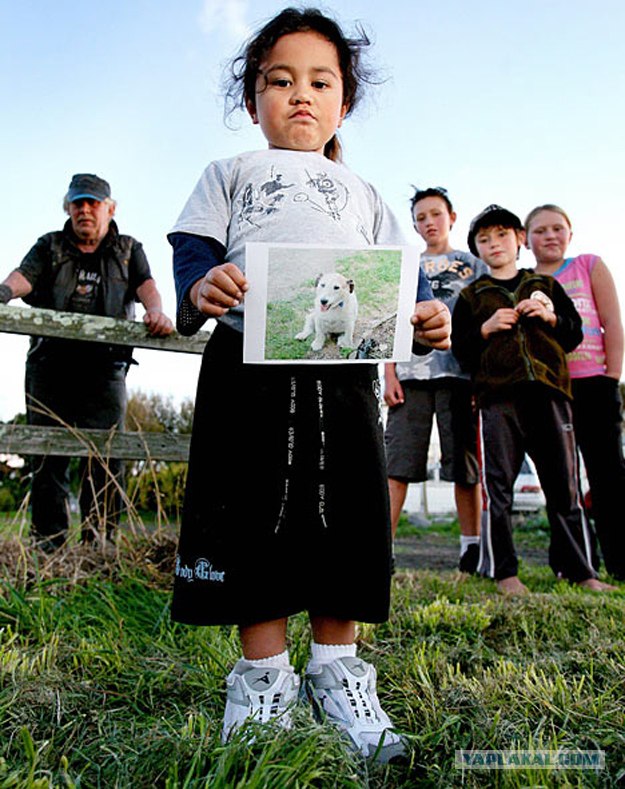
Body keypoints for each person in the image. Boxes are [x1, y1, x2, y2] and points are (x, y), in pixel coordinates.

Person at [168, 7, 450, 761]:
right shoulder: (228, 174)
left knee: (348, 508)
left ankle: (337, 670)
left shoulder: (362, 192)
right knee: (248, 504)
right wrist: (203, 286)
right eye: (279, 80)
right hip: (244, 372)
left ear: (342, 103)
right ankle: (261, 678)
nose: (300, 94)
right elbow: (192, 255)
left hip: (343, 375)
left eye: (318, 81)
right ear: (252, 98)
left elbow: (405, 280)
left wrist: (425, 317)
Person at [0, 173, 173, 550]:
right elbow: (24, 277)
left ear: (110, 208)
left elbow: (147, 284)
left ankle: (99, 545)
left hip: (105, 369)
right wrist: (3, 292)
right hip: (50, 366)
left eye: (93, 203)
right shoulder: (50, 246)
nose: (85, 210)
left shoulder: (127, 249)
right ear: (68, 207)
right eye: (77, 203)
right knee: (47, 456)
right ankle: (50, 547)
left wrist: (156, 312)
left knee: (107, 456)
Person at [452, 204, 614, 595]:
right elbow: (462, 351)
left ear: (519, 239)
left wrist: (550, 317)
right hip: (497, 399)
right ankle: (504, 572)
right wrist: (487, 329)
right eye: (484, 239)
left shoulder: (545, 286)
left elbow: (573, 333)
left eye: (503, 235)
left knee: (564, 485)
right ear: (476, 248)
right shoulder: (472, 296)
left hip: (550, 393)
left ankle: (582, 571)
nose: (495, 244)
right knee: (499, 487)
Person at [384, 187, 488, 573]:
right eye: (421, 218)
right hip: (411, 375)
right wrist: (389, 372)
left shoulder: (472, 265)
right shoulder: (406, 264)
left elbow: (481, 322)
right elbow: (390, 321)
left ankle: (471, 548)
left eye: (435, 214)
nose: (428, 223)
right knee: (399, 463)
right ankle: (384, 549)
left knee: (463, 465)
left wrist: (481, 378)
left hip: (459, 376)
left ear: (452, 217)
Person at [525, 204, 625, 581]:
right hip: (551, 391)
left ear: (570, 233)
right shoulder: (525, 280)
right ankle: (575, 562)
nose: (550, 236)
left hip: (595, 384)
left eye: (557, 228)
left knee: (608, 476)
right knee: (561, 480)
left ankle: (620, 561)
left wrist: (611, 374)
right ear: (526, 238)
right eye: (540, 230)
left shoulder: (588, 265)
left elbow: (612, 321)